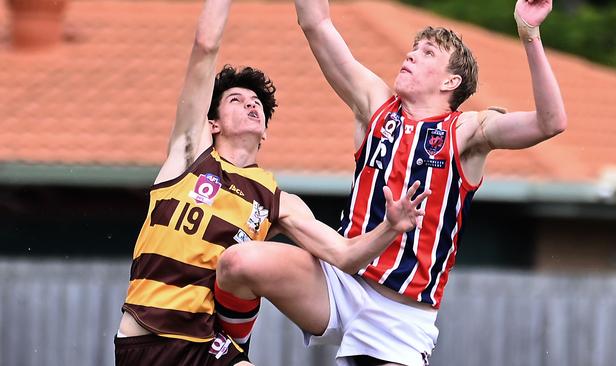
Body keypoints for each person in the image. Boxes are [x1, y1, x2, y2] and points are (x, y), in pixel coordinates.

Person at [215, 0, 567, 364]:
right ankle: (224, 356)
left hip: (399, 316)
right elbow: (315, 22)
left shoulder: (466, 131)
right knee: (238, 263)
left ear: (451, 81)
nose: (411, 55)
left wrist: (529, 32)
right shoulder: (376, 104)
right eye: (413, 48)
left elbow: (550, 122)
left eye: (427, 52)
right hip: (338, 284)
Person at [114, 0, 430, 364]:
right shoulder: (189, 155)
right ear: (212, 123)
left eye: (257, 105)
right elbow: (205, 44)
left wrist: (391, 228)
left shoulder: (279, 202)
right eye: (237, 99)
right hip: (146, 341)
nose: (251, 106)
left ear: (264, 132)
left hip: (207, 345)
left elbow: (344, 255)